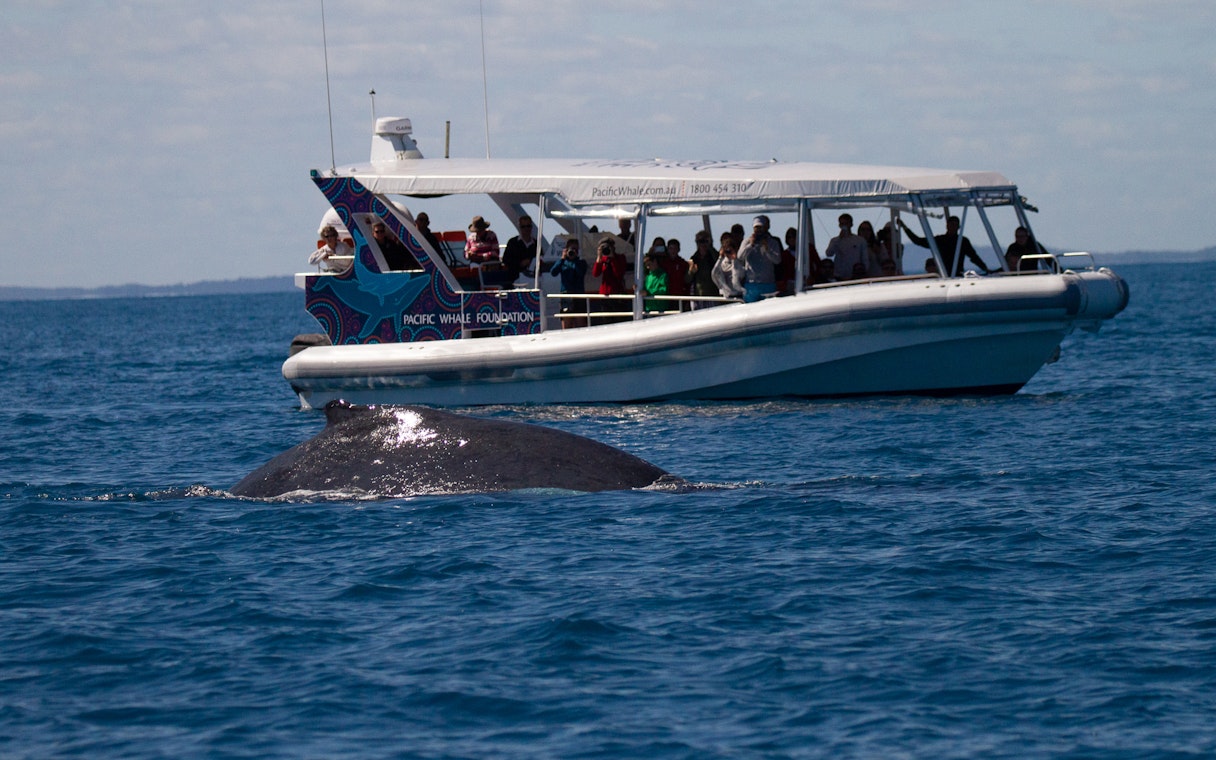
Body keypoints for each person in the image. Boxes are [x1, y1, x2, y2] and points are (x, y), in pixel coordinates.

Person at [899, 216, 991, 276]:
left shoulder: (963, 241)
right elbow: (917, 241)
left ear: (958, 227)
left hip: (958, 274)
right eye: (951, 224)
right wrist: (904, 227)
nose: (953, 227)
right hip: (942, 274)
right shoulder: (940, 240)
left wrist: (985, 268)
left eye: (955, 225)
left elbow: (973, 256)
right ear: (947, 226)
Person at [549, 237, 588, 327]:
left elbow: (581, 272)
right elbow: (553, 272)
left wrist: (574, 260)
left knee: (580, 322)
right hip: (566, 295)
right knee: (566, 323)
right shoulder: (562, 263)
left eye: (575, 249)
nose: (573, 251)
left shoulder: (581, 263)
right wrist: (562, 258)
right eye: (571, 249)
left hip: (578, 295)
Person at [592, 237, 628, 323]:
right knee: (607, 320)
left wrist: (612, 258)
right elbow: (595, 274)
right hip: (605, 295)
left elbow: (619, 273)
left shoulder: (620, 258)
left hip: (617, 294)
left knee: (619, 320)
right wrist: (599, 258)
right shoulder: (602, 260)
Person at [825, 214, 867, 281]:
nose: (844, 226)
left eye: (846, 223)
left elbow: (865, 259)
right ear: (839, 225)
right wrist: (839, 239)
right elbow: (829, 253)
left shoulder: (860, 240)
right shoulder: (835, 240)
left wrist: (864, 273)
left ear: (851, 224)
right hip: (839, 276)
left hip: (856, 275)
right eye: (842, 224)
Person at [503, 215, 540, 283]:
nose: (526, 229)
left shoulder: (536, 244)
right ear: (520, 227)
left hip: (533, 279)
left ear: (531, 227)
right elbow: (506, 260)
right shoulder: (512, 242)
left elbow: (541, 259)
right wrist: (520, 263)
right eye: (523, 226)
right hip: (515, 278)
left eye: (528, 226)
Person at [687, 231, 720, 307]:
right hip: (698, 297)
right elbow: (687, 279)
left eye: (704, 241)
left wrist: (710, 247)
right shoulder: (694, 259)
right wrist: (691, 272)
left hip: (713, 296)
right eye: (700, 242)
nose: (702, 244)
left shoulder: (713, 256)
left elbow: (720, 265)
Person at [661, 237, 689, 308]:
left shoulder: (683, 263)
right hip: (667, 297)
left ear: (679, 249)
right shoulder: (663, 264)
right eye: (671, 248)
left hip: (680, 296)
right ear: (667, 249)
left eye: (675, 248)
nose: (673, 251)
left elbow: (686, 281)